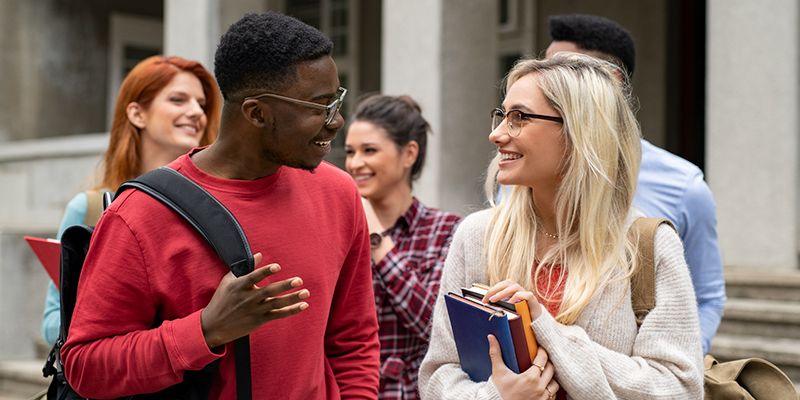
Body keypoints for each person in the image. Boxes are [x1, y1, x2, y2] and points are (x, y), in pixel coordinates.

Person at [60, 12, 380, 399]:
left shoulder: (338, 193)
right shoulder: (139, 215)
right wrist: (206, 330)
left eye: (336, 100)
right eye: (319, 106)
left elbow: (354, 339)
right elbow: (86, 365)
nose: (337, 121)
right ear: (257, 113)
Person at [419, 53, 703, 399]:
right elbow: (438, 376)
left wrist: (547, 331)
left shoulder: (650, 244)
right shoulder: (478, 235)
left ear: (579, 129)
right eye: (501, 115)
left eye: (518, 117)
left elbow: (678, 389)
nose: (496, 134)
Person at [545, 13, 726, 355]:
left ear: (611, 80)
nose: (543, 82)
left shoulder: (684, 186)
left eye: (560, 72)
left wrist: (677, 365)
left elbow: (707, 295)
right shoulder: (524, 176)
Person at [40, 55, 220, 347]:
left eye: (201, 104)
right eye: (178, 99)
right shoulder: (90, 209)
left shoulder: (216, 208)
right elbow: (51, 323)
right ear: (137, 114)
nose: (196, 112)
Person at [344, 94, 461, 399]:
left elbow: (435, 327)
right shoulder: (337, 231)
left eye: (369, 150)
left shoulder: (447, 230)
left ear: (409, 153)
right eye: (350, 152)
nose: (355, 163)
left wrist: (376, 239)